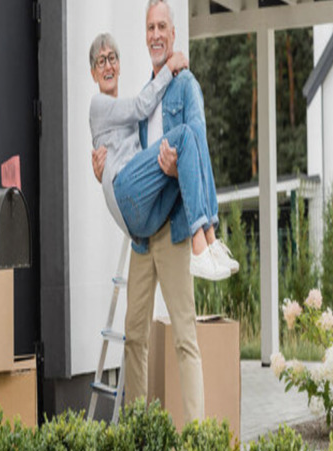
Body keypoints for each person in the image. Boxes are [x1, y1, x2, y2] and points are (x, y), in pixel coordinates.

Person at [91, 0, 236, 424]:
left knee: (184, 338)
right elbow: (130, 160)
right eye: (150, 28)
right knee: (134, 337)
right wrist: (101, 167)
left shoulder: (185, 86)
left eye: (162, 28)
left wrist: (175, 171)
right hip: (142, 237)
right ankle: (138, 438)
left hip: (172, 230)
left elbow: (198, 149)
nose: (156, 35)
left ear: (174, 35)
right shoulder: (143, 96)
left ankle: (196, 443)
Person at [88, 31, 234, 281]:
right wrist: (170, 66)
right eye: (101, 61)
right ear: (93, 73)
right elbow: (141, 106)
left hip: (146, 218)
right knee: (186, 136)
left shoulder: (123, 117)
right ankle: (202, 240)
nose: (108, 65)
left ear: (119, 66)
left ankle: (209, 237)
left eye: (112, 58)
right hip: (126, 195)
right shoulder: (99, 105)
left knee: (189, 150)